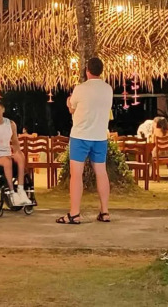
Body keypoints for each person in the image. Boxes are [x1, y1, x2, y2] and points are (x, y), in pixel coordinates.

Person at [57, 57, 112, 225]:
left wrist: (68, 103)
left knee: (76, 174)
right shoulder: (108, 89)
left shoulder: (80, 89)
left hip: (80, 136)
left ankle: (74, 213)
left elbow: (72, 108)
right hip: (100, 136)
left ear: (87, 70)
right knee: (101, 172)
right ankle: (105, 211)